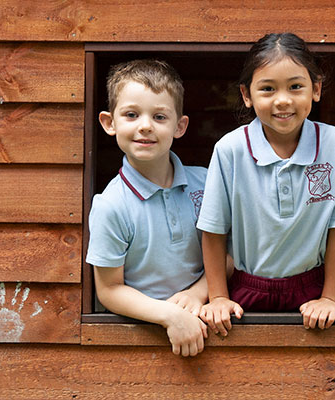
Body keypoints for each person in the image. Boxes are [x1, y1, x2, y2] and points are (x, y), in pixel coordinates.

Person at [197, 33, 335, 336]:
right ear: (247, 95)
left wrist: (330, 298)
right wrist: (218, 297)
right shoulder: (230, 149)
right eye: (268, 89)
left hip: (311, 291)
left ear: (316, 89)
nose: (283, 99)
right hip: (244, 290)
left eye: (296, 86)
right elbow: (213, 230)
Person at [86, 60, 208, 356]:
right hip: (139, 336)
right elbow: (109, 290)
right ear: (109, 123)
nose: (145, 126)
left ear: (180, 126)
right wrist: (170, 315)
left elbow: (229, 255)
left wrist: (198, 293)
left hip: (205, 319)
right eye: (131, 114)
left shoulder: (206, 184)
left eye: (159, 116)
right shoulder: (110, 205)